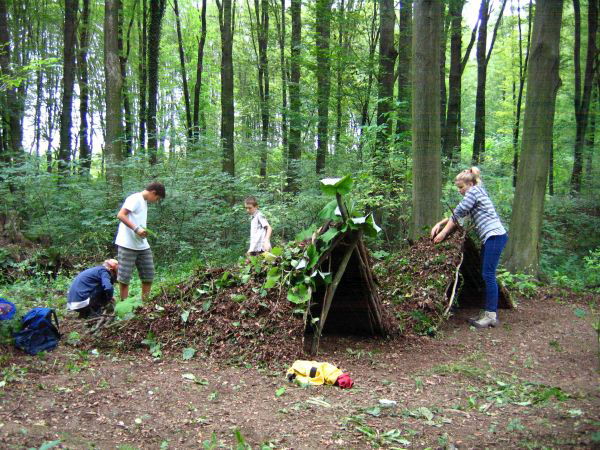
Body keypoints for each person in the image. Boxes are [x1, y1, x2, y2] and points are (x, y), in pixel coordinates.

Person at [430, 167, 508, 328]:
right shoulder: (478, 191)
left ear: (471, 184)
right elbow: (458, 212)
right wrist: (440, 222)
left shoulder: (473, 193)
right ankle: (487, 311)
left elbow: (458, 213)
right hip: (491, 238)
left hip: (495, 236)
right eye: (458, 188)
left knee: (488, 275)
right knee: (486, 274)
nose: (460, 191)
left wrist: (443, 233)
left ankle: (491, 315)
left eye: (461, 187)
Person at [115, 181, 166, 302]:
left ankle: (145, 304)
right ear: (153, 193)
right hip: (127, 244)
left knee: (148, 274)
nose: (156, 201)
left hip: (142, 245)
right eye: (157, 198)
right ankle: (124, 305)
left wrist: (142, 231)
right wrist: (136, 229)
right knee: (125, 277)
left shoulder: (144, 202)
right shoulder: (135, 198)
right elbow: (121, 215)